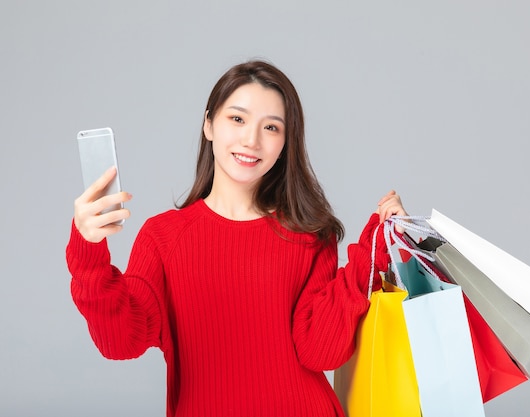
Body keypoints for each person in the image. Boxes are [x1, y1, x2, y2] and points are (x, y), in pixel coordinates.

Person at [67, 60, 407, 417]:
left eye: (271, 127)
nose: (251, 140)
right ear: (209, 123)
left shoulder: (309, 235)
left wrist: (375, 249)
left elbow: (321, 353)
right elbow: (120, 341)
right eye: (238, 119)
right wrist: (89, 250)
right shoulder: (163, 238)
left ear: (285, 143)